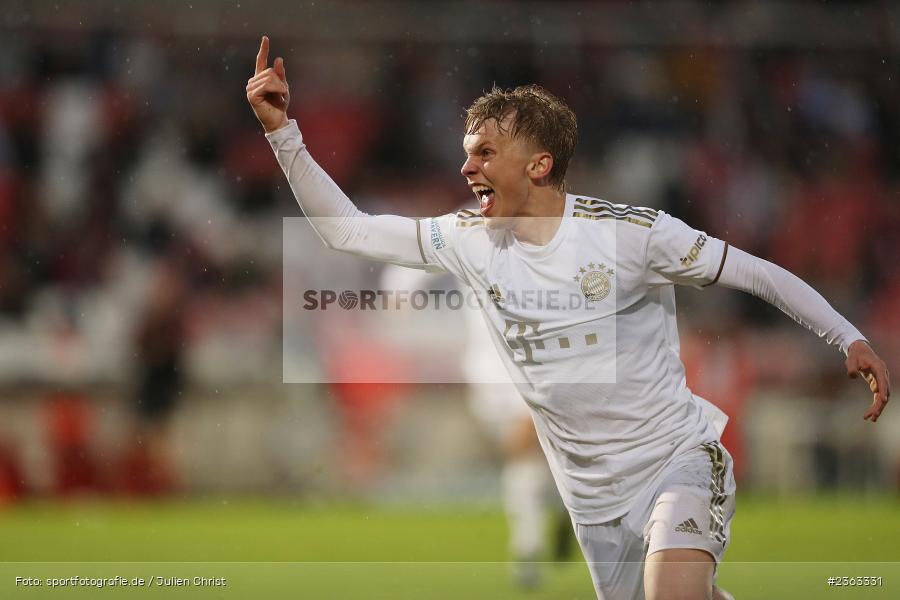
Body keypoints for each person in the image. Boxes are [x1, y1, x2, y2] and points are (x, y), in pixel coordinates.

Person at [247, 36, 891, 599]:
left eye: (484, 154)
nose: (467, 168)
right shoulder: (469, 239)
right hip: (590, 499)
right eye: (467, 153)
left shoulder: (632, 235)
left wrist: (847, 336)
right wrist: (282, 132)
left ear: (538, 164)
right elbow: (348, 232)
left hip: (676, 458)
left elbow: (751, 270)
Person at [381, 252, 563, 589]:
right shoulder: (469, 226)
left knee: (525, 446)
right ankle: (557, 516)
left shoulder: (549, 230)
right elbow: (415, 254)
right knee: (529, 453)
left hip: (541, 366)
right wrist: (400, 292)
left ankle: (528, 543)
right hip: (489, 372)